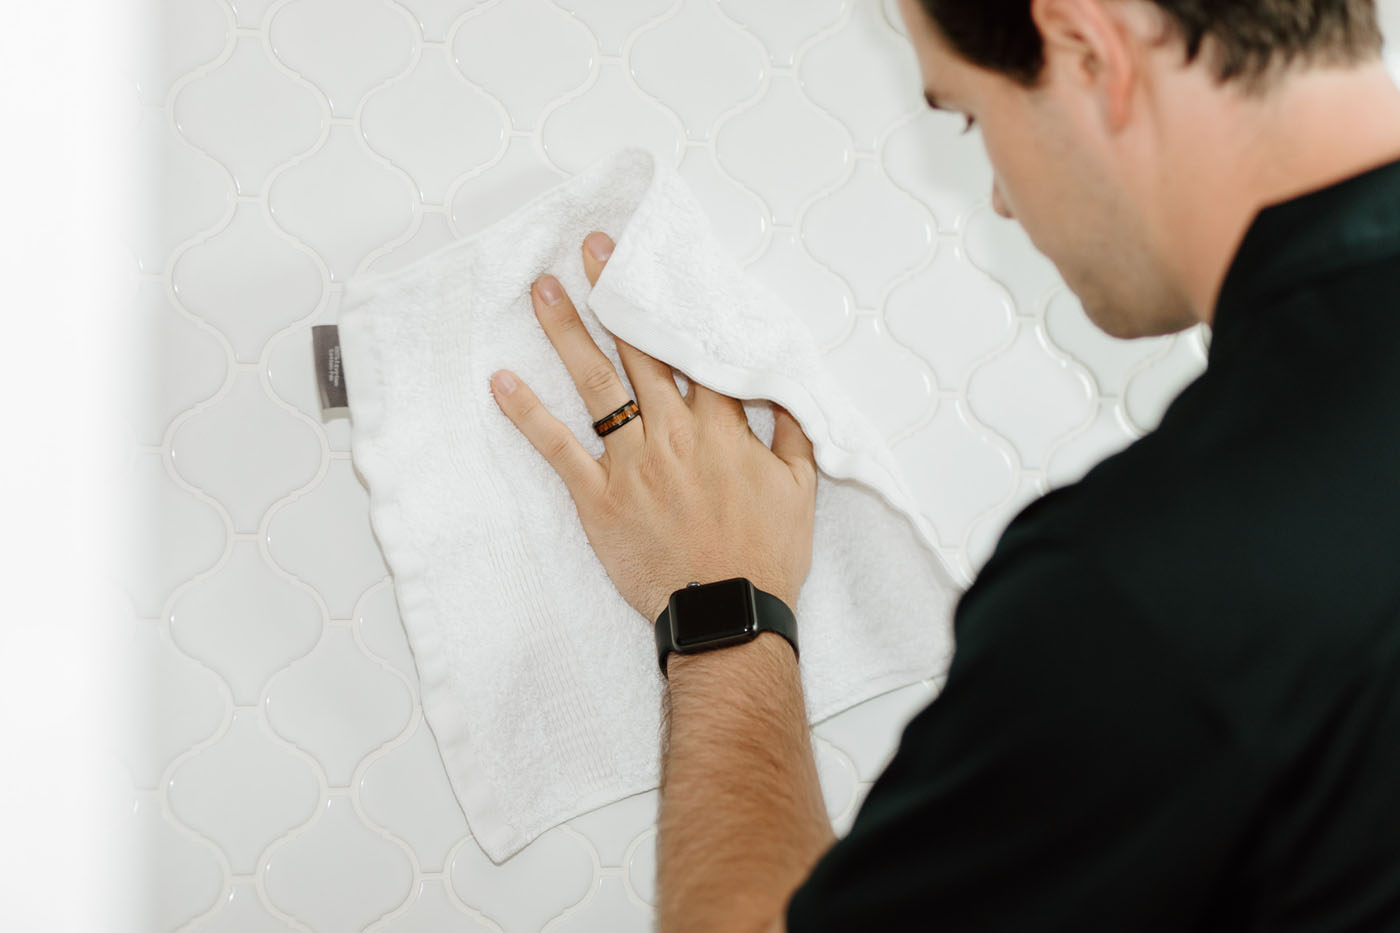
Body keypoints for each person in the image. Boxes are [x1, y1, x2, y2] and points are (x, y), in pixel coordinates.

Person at [487, 0, 1400, 928]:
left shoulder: (1153, 581)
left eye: (968, 112)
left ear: (1090, 47)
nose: (1000, 195)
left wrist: (718, 608)